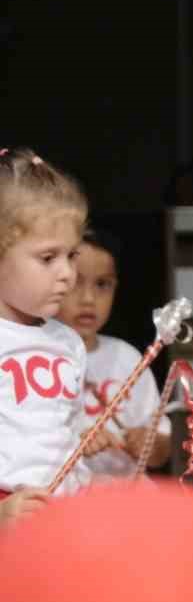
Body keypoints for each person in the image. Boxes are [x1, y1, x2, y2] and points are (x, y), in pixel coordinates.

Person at [0, 148, 108, 523]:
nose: (67, 274)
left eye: (71, 255)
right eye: (48, 258)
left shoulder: (68, 343)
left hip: (62, 514)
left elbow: (66, 433)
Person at [69, 226, 172, 479]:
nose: (88, 299)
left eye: (102, 284)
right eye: (74, 282)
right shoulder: (35, 360)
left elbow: (161, 453)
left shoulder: (127, 358)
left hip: (127, 498)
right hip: (65, 502)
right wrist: (72, 444)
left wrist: (148, 443)